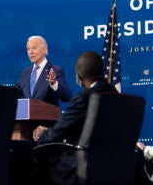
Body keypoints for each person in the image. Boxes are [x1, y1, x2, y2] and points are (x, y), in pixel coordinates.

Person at [32, 51, 118, 185]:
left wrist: (42, 135)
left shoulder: (83, 98)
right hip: (114, 164)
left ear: (79, 76)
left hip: (79, 168)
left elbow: (57, 133)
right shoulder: (117, 96)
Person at [0, 35, 71, 106]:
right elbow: (14, 93)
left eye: (34, 48)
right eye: (28, 49)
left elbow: (66, 96)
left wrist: (54, 84)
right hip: (26, 126)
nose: (30, 52)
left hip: (47, 126)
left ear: (44, 50)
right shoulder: (25, 73)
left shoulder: (55, 70)